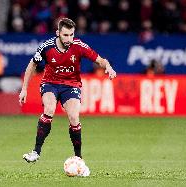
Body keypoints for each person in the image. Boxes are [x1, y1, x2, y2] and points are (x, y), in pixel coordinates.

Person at [19, 18, 116, 163]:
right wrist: (24, 89)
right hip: (50, 83)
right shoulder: (46, 47)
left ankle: (78, 157)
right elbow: (31, 65)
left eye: (71, 34)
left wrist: (108, 67)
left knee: (74, 117)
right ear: (58, 33)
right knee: (49, 109)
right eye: (65, 35)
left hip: (71, 85)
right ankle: (36, 152)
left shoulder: (79, 45)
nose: (69, 38)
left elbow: (100, 60)